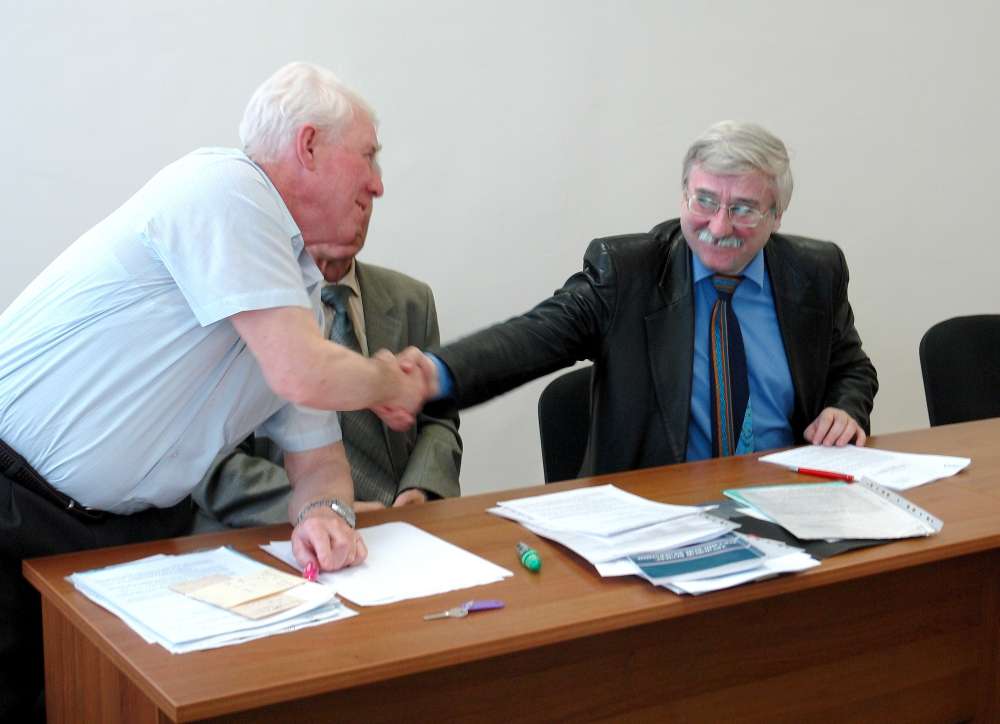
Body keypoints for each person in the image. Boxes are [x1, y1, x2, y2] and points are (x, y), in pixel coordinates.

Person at [0, 61, 433, 722]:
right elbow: (300, 373)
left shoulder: (296, 297)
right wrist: (387, 380)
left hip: (129, 538)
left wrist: (326, 515)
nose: (378, 183)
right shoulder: (226, 188)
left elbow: (319, 462)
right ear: (308, 145)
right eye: (368, 156)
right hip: (15, 502)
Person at [413, 121, 877, 477]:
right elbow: (534, 337)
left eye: (743, 209)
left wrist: (844, 408)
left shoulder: (814, 273)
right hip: (661, 513)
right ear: (683, 196)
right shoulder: (627, 274)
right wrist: (432, 374)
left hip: (786, 501)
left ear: (777, 216)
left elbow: (850, 367)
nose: (719, 226)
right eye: (704, 201)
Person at [192, 205, 461, 530]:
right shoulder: (241, 307)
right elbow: (206, 455)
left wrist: (421, 489)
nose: (368, 196)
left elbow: (438, 419)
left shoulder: (412, 300)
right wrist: (320, 508)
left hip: (395, 525)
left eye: (368, 193)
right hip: (277, 530)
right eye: (350, 190)